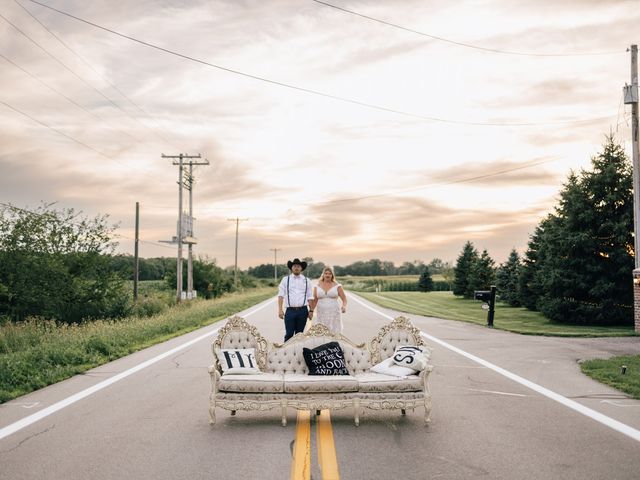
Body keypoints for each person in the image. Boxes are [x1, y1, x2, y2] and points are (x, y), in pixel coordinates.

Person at [278, 258, 315, 342]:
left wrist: (311, 311)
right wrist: (280, 310)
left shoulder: (306, 280)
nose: (296, 268)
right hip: (290, 311)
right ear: (291, 268)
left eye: (298, 266)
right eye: (294, 266)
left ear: (301, 268)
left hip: (303, 311)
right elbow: (280, 295)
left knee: (300, 335)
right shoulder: (285, 280)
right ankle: (286, 353)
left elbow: (310, 297)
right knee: (289, 334)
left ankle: (297, 353)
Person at [312, 266, 347, 334]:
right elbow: (315, 300)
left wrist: (344, 306)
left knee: (334, 331)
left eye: (329, 274)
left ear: (332, 275)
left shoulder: (337, 285)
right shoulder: (317, 285)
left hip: (334, 312)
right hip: (321, 312)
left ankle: (334, 344)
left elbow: (344, 299)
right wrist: (311, 311)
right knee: (322, 330)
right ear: (323, 274)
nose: (328, 275)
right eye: (326, 273)